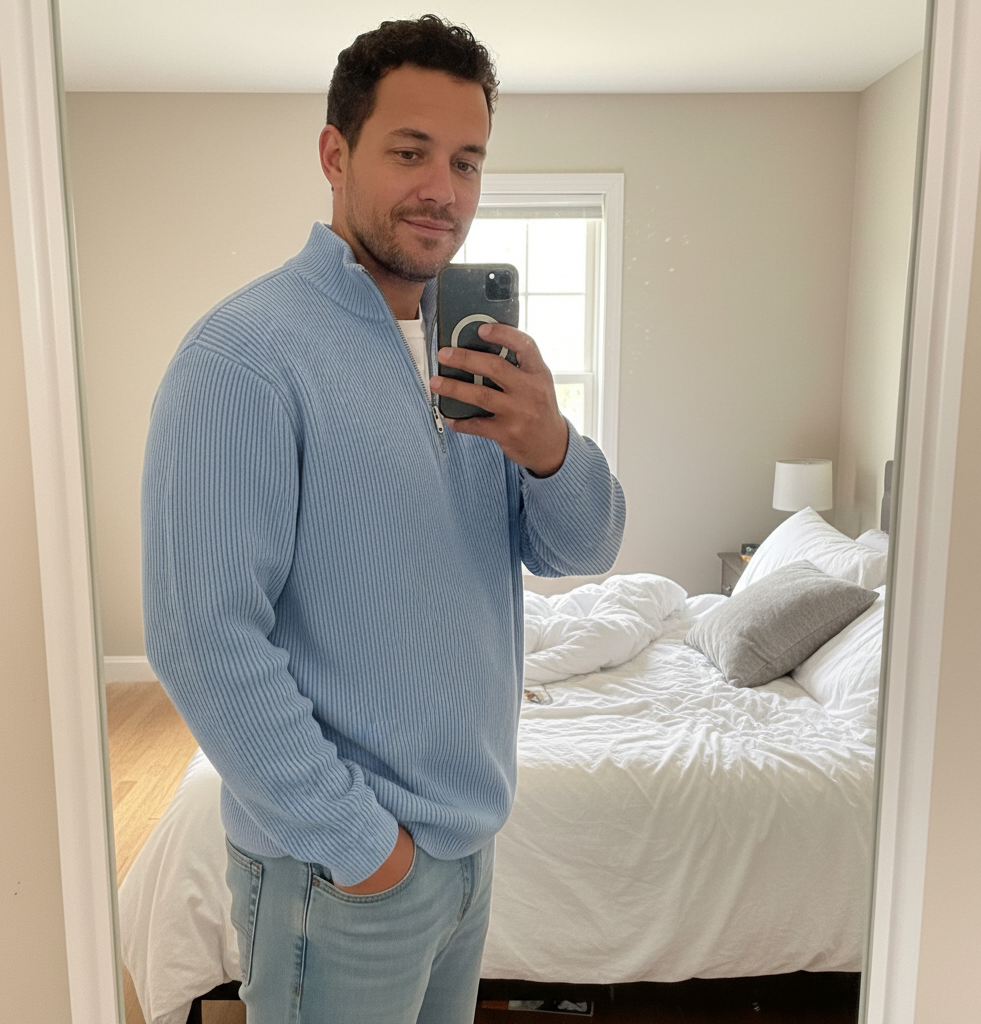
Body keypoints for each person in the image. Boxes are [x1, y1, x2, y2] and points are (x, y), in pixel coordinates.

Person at [141, 14, 625, 1024]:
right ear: (335, 154)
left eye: (466, 161)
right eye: (410, 152)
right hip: (342, 873)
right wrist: (364, 851)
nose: (443, 189)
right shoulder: (244, 356)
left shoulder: (476, 356)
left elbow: (583, 546)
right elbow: (201, 637)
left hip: (466, 850)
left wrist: (549, 443)